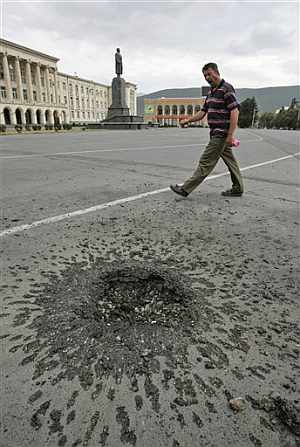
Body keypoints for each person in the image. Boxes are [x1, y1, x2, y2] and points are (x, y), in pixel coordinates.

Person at [170, 62, 243, 198]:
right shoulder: (211, 93)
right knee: (231, 161)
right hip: (216, 133)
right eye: (205, 76)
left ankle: (185, 189)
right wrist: (188, 120)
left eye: (209, 74)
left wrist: (230, 135)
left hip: (221, 134)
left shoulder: (226, 88)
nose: (208, 78)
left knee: (206, 161)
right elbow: (203, 112)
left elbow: (235, 111)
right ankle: (238, 188)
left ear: (217, 72)